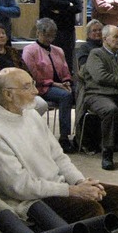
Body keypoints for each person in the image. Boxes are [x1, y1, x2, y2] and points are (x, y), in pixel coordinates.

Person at [0, 67, 118, 224]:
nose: (36, 91)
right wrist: (71, 191)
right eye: (28, 87)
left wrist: (79, 182)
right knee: (91, 210)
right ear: (8, 94)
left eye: (33, 83)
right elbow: (19, 187)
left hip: (57, 186)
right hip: (29, 201)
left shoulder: (31, 114)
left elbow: (58, 156)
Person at [81, 25, 118, 170]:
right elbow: (100, 76)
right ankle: (107, 152)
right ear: (105, 39)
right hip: (97, 94)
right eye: (115, 37)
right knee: (110, 109)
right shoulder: (95, 54)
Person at [22, 18, 75, 153]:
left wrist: (67, 81)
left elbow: (65, 70)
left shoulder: (58, 50)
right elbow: (33, 76)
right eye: (46, 35)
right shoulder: (30, 50)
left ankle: (82, 136)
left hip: (60, 85)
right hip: (41, 87)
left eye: (52, 35)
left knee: (79, 93)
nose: (50, 38)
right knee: (65, 96)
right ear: (39, 33)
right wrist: (55, 84)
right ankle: (64, 137)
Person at [0, 22, 48, 116]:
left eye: (3, 33)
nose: (1, 36)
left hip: (19, 90)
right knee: (30, 107)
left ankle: (23, 126)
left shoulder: (13, 52)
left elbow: (25, 72)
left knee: (41, 104)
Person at [40, 0, 83, 74]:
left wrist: (58, 9)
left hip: (67, 31)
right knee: (50, 60)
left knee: (66, 60)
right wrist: (68, 4)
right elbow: (46, 6)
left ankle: (68, 85)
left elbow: (78, 8)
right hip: (50, 32)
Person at [74, 19, 103, 153]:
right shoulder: (85, 48)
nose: (97, 33)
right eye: (94, 30)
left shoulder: (106, 46)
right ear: (88, 33)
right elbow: (84, 68)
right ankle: (87, 142)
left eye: (99, 30)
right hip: (88, 84)